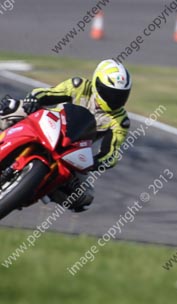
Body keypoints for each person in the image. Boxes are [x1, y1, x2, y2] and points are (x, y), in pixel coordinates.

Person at [0, 60, 132, 212]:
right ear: (97, 84)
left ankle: (27, 190)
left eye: (121, 95)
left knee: (84, 196)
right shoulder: (79, 86)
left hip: (74, 149)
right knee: (11, 107)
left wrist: (96, 162)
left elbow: (111, 153)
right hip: (50, 124)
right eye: (110, 93)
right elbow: (47, 93)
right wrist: (33, 99)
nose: (115, 99)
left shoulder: (121, 121)